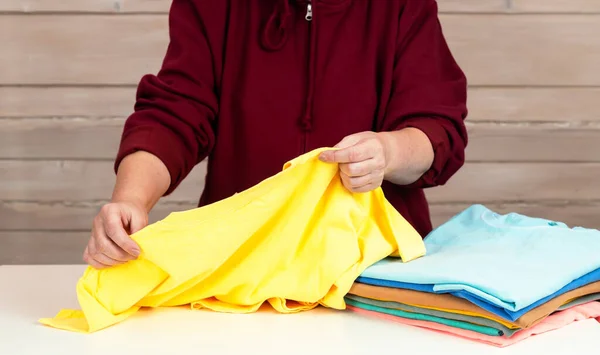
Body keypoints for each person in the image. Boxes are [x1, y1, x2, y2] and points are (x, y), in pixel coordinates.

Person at [83, 0, 468, 269]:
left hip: (377, 273)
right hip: (237, 265)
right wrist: (131, 200)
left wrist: (390, 151)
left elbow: (437, 128)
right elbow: (175, 114)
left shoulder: (404, 4)